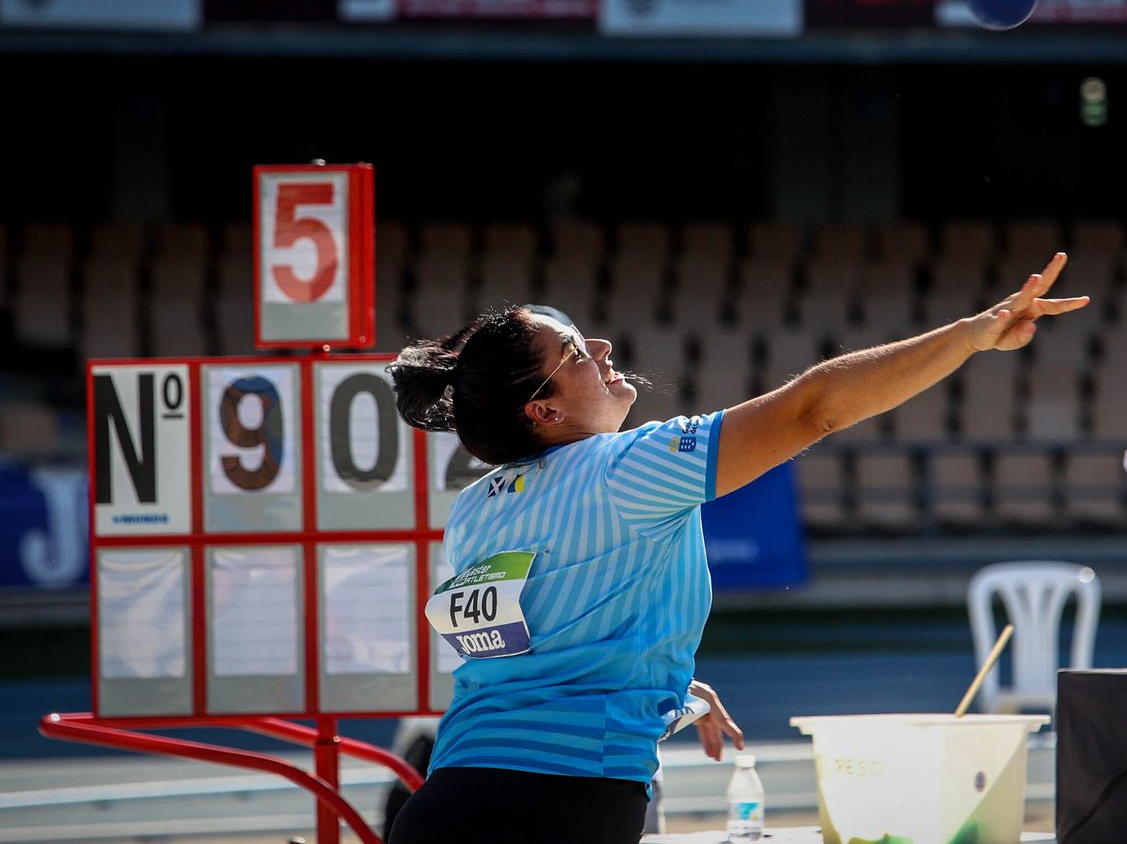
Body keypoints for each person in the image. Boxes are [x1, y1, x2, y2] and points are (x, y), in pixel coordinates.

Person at [384, 253, 1089, 843]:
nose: (599, 346)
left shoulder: (476, 508)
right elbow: (813, 407)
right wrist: (969, 336)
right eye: (573, 350)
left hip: (448, 795)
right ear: (544, 410)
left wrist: (672, 688)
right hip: (563, 802)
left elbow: (537, 652)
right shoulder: (626, 467)